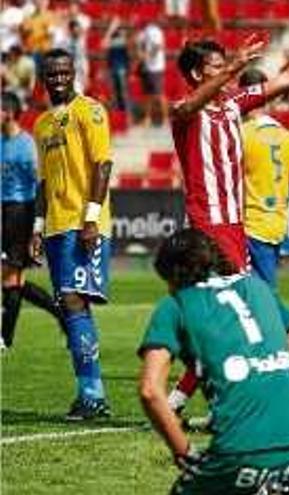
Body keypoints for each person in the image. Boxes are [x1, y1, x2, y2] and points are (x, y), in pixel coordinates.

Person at [165, 11, 289, 420]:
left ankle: (180, 401)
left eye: (227, 66)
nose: (228, 73)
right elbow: (192, 104)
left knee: (228, 321)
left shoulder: (234, 105)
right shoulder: (186, 111)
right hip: (208, 229)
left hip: (235, 228)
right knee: (245, 317)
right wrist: (235, 67)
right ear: (197, 74)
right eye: (217, 68)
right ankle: (231, 404)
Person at [139, 229, 289, 495]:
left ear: (174, 274)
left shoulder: (176, 305)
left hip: (241, 450)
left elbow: (149, 390)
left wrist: (184, 453)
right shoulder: (258, 287)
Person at [30, 48, 113, 420]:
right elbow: (43, 183)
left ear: (74, 73)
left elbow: (103, 165)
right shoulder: (43, 124)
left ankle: (92, 395)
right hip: (55, 226)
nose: (59, 78)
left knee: (75, 302)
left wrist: (91, 218)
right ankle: (91, 393)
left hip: (82, 225)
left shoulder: (90, 111)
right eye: (52, 73)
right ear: (42, 78)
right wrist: (37, 227)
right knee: (69, 304)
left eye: (64, 72)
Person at [239, 67, 289, 289]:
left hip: (248, 228)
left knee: (259, 300)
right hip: (274, 228)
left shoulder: (240, 134)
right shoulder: (286, 137)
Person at [1, 91, 65, 349]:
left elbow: (39, 184)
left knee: (11, 276)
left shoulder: (27, 145)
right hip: (4, 211)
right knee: (15, 280)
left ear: (8, 112)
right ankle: (61, 315)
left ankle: (5, 339)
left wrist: (37, 222)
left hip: (21, 212)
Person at [136, 20, 167, 126]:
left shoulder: (154, 31)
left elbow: (158, 46)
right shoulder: (143, 33)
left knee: (158, 94)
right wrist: (142, 56)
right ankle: (147, 118)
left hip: (155, 67)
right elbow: (140, 48)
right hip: (147, 67)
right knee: (148, 95)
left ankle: (165, 119)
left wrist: (147, 56)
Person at [101, 16, 131, 114]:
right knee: (114, 92)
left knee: (123, 92)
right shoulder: (111, 38)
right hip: (112, 68)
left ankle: (125, 114)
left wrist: (116, 26)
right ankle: (117, 113)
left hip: (121, 69)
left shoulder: (123, 37)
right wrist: (110, 29)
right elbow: (103, 44)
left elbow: (128, 43)